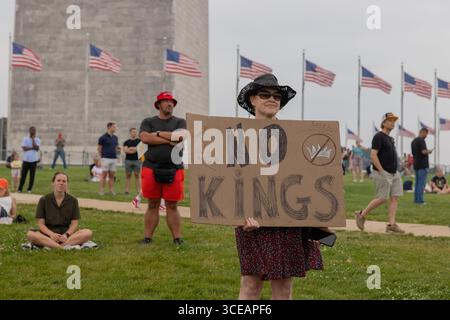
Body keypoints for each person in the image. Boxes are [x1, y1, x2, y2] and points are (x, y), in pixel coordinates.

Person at [235, 74, 324, 300]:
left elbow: (307, 178)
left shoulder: (295, 136)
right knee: (251, 283)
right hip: (251, 218)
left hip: (288, 218)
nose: (272, 98)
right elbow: (230, 180)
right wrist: (240, 215)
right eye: (265, 94)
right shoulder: (237, 135)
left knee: (284, 286)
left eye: (277, 96)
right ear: (252, 99)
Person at [138, 92, 186, 245]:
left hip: (175, 168)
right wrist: (168, 139)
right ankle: (147, 238)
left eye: (171, 101)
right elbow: (145, 138)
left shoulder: (180, 122)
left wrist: (157, 134)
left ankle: (177, 238)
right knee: (152, 204)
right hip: (151, 167)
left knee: (172, 205)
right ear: (158, 105)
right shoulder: (148, 121)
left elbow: (179, 138)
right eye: (166, 101)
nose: (169, 104)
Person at [354, 113, 405, 233]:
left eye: (393, 121)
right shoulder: (379, 136)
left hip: (394, 173)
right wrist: (382, 171)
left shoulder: (390, 138)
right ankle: (361, 215)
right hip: (382, 172)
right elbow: (373, 154)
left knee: (395, 197)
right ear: (384, 123)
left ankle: (391, 225)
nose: (392, 122)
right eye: (390, 120)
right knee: (382, 198)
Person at [26, 172, 93, 249]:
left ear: (67, 184)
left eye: (64, 181)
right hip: (48, 235)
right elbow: (41, 224)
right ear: (53, 183)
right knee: (30, 234)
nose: (61, 183)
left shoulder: (73, 200)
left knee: (88, 232)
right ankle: (62, 247)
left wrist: (66, 235)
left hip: (66, 235)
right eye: (58, 180)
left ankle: (55, 246)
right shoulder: (44, 199)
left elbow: (74, 224)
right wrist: (51, 234)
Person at [411, 128, 433, 204]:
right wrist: (429, 151)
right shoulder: (421, 140)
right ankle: (420, 201)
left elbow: (413, 153)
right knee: (421, 183)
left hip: (416, 164)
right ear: (422, 132)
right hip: (422, 165)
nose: (426, 135)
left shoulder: (414, 141)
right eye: (426, 133)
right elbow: (423, 151)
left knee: (417, 183)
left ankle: (416, 200)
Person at [98, 122, 120, 195]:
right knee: (103, 175)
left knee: (112, 176)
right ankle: (101, 190)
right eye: (114, 127)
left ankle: (111, 190)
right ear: (109, 127)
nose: (115, 128)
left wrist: (118, 153)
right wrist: (100, 158)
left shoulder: (115, 137)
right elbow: (99, 148)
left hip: (114, 158)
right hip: (105, 158)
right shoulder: (102, 137)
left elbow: (117, 148)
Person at [18, 126, 41, 194]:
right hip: (26, 160)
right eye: (31, 130)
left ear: (35, 131)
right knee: (23, 175)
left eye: (34, 130)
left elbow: (37, 148)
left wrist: (33, 140)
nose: (32, 132)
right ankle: (20, 188)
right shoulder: (25, 139)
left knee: (32, 176)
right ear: (29, 131)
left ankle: (29, 189)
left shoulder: (37, 139)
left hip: (33, 161)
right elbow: (24, 148)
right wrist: (32, 148)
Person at [123, 128, 141, 195]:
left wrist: (130, 148)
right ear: (130, 133)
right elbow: (126, 151)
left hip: (137, 160)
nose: (134, 133)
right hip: (128, 160)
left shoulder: (139, 141)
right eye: (133, 132)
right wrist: (134, 149)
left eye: (135, 132)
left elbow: (138, 149)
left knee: (137, 175)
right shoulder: (126, 142)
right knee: (128, 175)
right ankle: (127, 191)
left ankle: (138, 191)